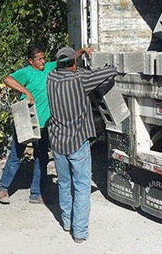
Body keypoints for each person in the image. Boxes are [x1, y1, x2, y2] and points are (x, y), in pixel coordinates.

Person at [46, 46, 117, 243]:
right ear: (74, 64)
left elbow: (63, 63)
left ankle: (67, 222)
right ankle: (79, 232)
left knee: (65, 183)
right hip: (77, 141)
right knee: (82, 186)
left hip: (58, 142)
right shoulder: (81, 79)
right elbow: (110, 71)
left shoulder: (51, 77)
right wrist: (94, 58)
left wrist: (76, 55)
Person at [0, 45, 75, 205]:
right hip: (27, 120)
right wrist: (26, 92)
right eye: (39, 59)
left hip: (44, 124)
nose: (43, 61)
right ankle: (3, 187)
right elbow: (7, 79)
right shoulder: (26, 72)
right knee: (16, 155)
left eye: (43, 58)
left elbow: (65, 60)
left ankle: (36, 193)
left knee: (41, 158)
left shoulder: (48, 68)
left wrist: (81, 52)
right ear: (31, 61)